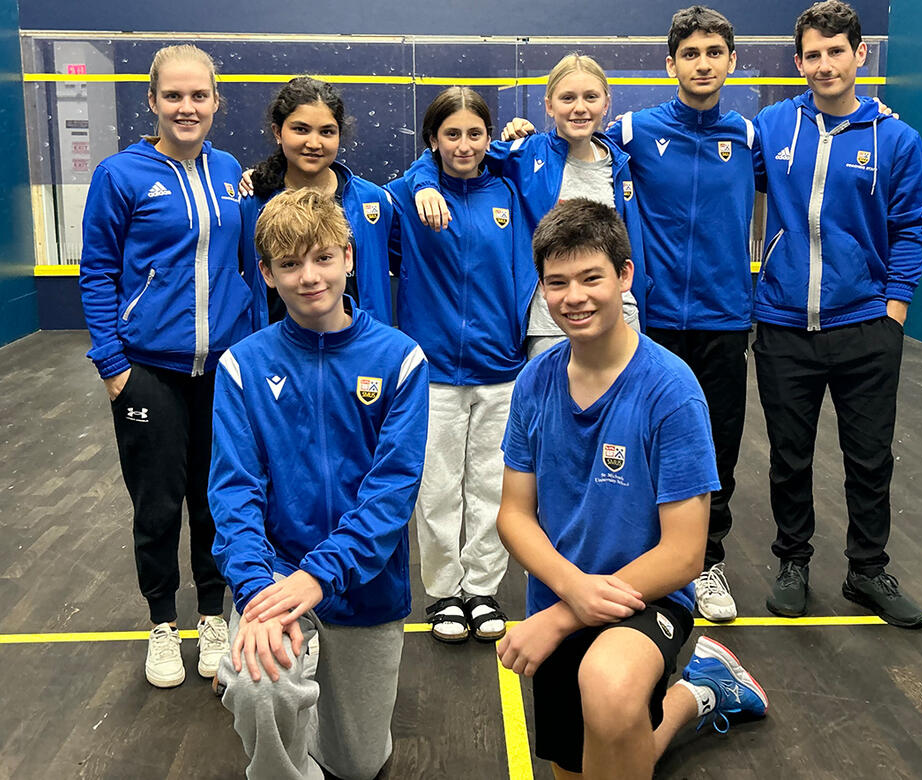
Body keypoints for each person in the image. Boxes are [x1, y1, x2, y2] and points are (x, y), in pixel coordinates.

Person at [496, 198, 767, 779]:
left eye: (592, 277)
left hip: (647, 597)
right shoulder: (534, 383)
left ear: (624, 275)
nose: (575, 297)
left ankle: (684, 687)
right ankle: (699, 696)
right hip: (563, 592)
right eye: (557, 282)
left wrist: (568, 615)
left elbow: (685, 553)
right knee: (592, 762)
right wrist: (571, 593)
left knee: (611, 692)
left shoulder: (671, 390)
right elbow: (514, 515)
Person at [209, 188, 428, 779]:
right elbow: (234, 493)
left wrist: (322, 573)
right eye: (289, 264)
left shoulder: (401, 360)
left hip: (369, 587)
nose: (309, 277)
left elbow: (392, 493)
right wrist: (258, 591)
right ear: (266, 274)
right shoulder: (242, 366)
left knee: (358, 766)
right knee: (263, 692)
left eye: (323, 258)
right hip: (276, 578)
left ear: (350, 257)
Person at [79, 44, 253, 688]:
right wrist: (112, 364)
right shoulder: (120, 176)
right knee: (157, 505)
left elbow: (243, 262)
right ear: (151, 102)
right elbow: (96, 270)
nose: (187, 107)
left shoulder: (230, 168)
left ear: (216, 101)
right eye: (173, 96)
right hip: (147, 370)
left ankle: (212, 616)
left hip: (223, 370)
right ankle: (161, 622)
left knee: (217, 501)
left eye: (198, 95)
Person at [753, 0, 922, 627]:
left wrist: (895, 311)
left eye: (836, 51)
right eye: (812, 54)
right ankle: (794, 561)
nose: (824, 64)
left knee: (869, 455)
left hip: (867, 328)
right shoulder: (773, 126)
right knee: (789, 455)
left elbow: (910, 226)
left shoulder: (897, 139)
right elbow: (704, 157)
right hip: (781, 324)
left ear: (860, 55)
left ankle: (866, 571)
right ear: (798, 61)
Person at [602, 5, 755, 622]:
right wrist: (517, 139)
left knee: (715, 448)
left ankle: (707, 561)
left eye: (713, 53)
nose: (702, 64)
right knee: (638, 443)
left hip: (724, 319)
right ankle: (642, 556)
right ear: (671, 65)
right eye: (690, 54)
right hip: (653, 321)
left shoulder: (749, 137)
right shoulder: (634, 132)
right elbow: (566, 150)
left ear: (731, 61)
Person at [386, 88, 535, 643]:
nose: (464, 144)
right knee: (439, 487)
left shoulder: (511, 190)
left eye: (476, 133)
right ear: (432, 140)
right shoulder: (407, 195)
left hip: (501, 368)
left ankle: (482, 589)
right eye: (451, 134)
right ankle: (445, 593)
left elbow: (536, 153)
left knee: (493, 487)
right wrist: (424, 179)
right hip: (434, 373)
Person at [408, 54, 648, 358]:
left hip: (619, 314)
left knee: (622, 404)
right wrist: (425, 185)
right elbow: (451, 152)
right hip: (550, 323)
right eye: (567, 98)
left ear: (606, 102)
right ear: (549, 105)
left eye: (590, 97)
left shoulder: (620, 162)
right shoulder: (524, 153)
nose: (579, 107)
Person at [242, 77, 396, 326]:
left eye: (326, 132)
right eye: (301, 129)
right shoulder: (252, 203)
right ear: (277, 132)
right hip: (279, 357)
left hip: (361, 356)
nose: (314, 143)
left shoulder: (373, 200)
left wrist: (426, 182)